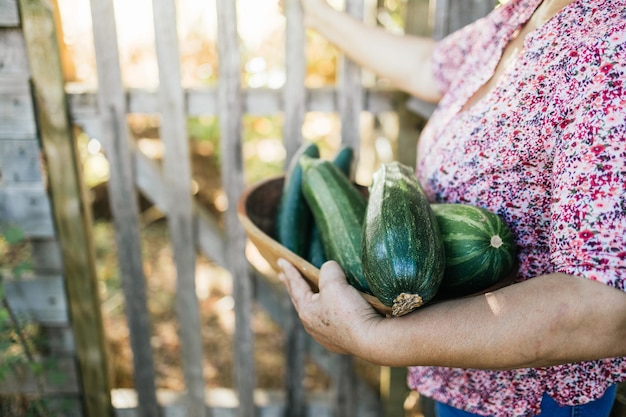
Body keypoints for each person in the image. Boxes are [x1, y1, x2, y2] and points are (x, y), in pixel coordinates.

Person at [276, 0, 626, 416]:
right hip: (462, 374)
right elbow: (430, 64)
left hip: (530, 398)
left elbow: (605, 306)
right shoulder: (524, 11)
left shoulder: (613, 48)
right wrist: (310, 11)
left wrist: (375, 338)